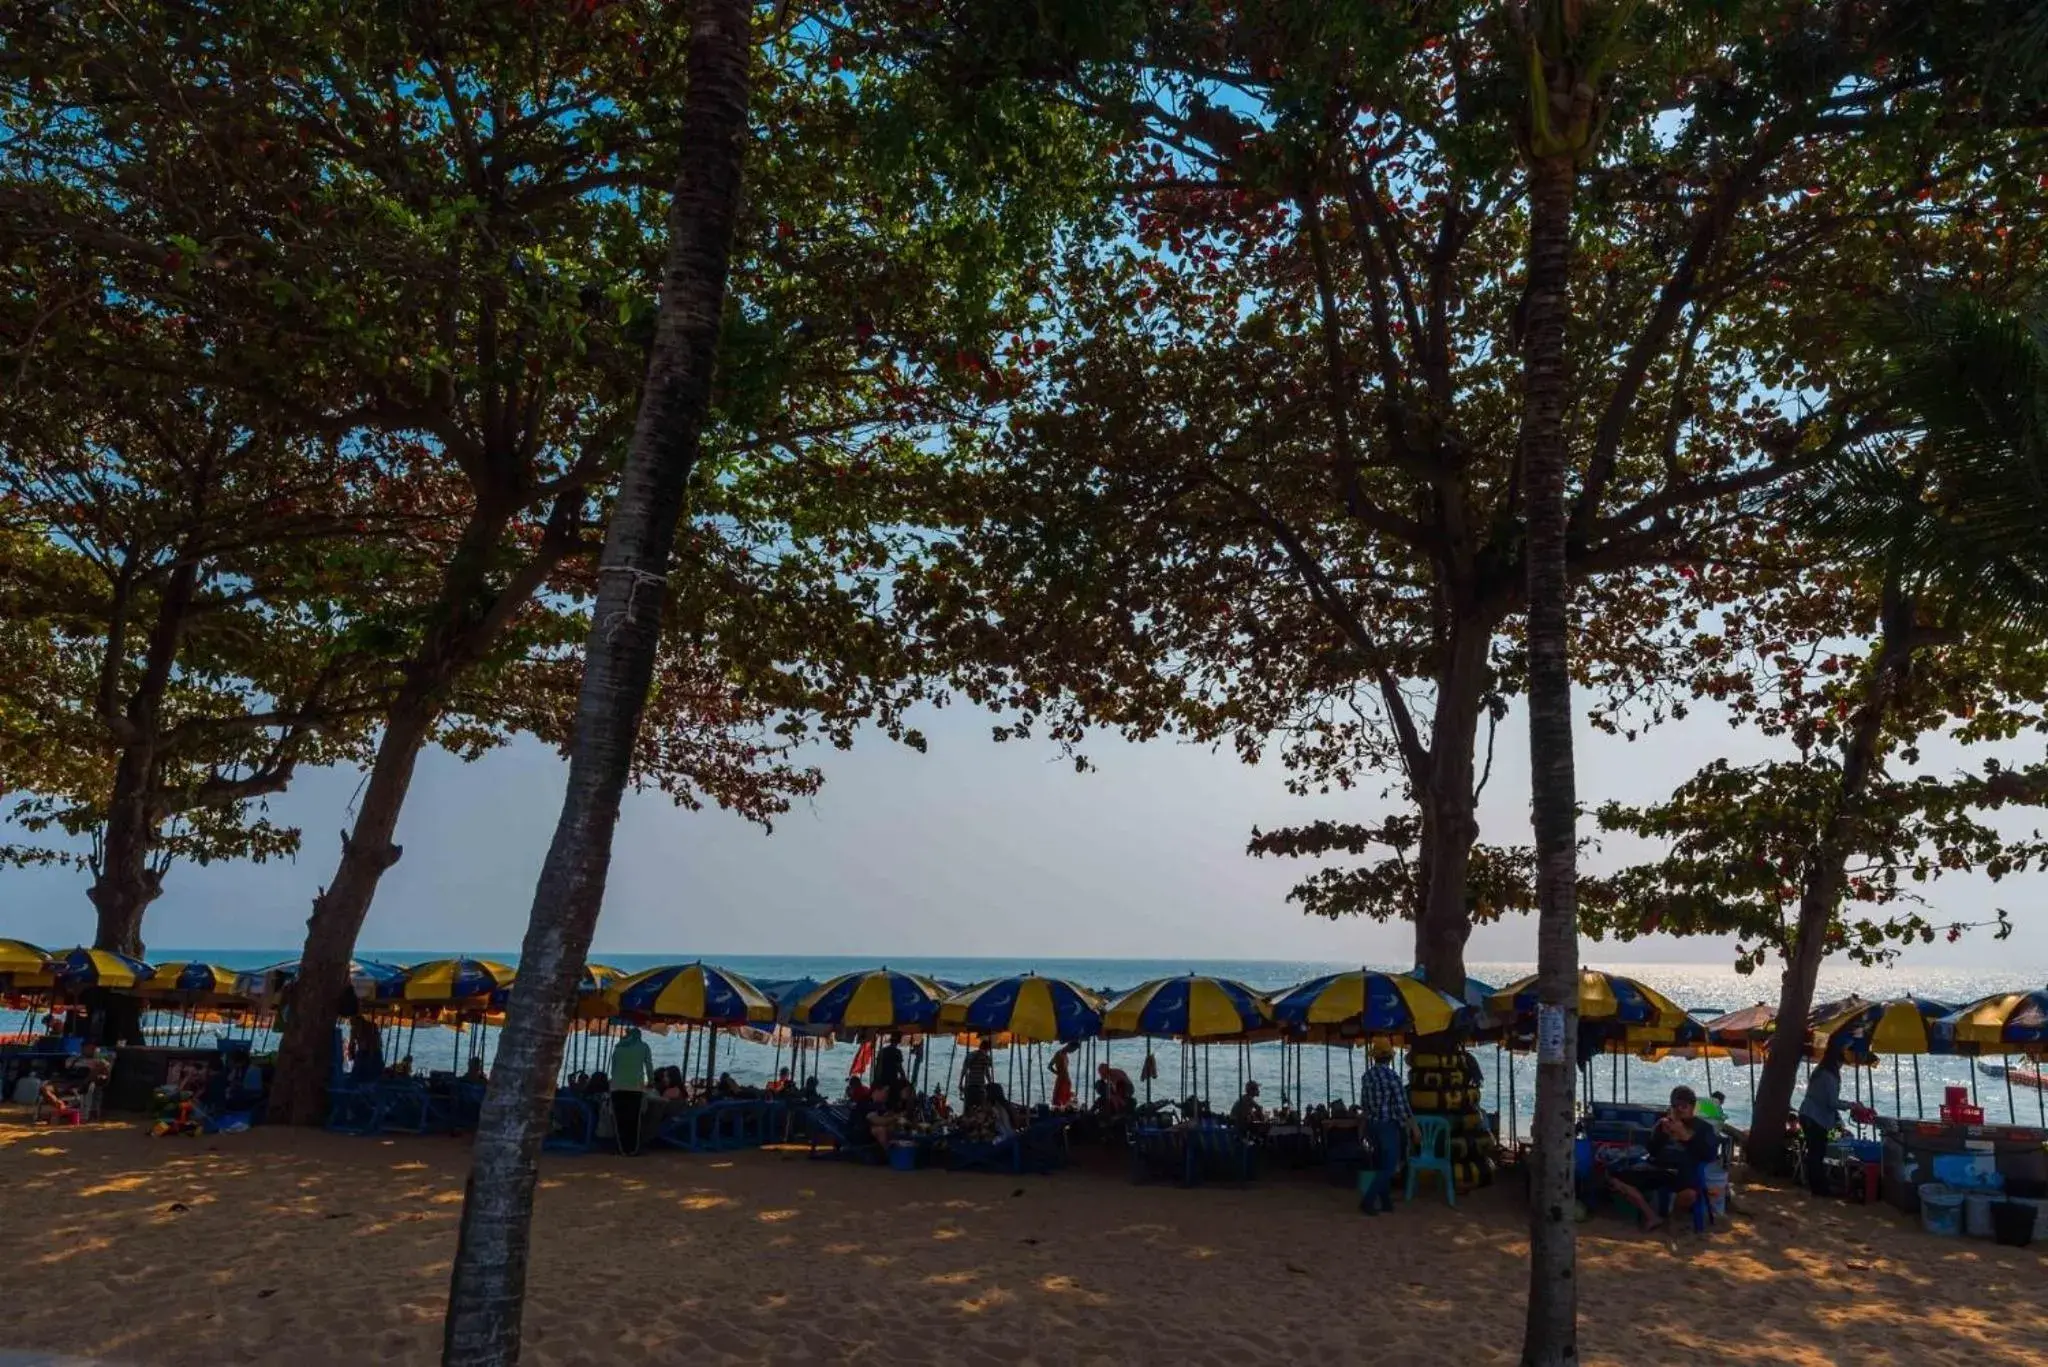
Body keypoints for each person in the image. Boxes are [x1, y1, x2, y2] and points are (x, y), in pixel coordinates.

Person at [1607, 1085, 1719, 1232]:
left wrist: (1687, 1138)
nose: (1679, 1110)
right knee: (1613, 1178)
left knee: (1690, 1194)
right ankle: (1651, 1216)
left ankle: (1674, 1218)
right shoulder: (1664, 1123)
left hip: (1682, 1170)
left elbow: (1710, 1155)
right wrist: (1661, 1135)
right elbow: (1651, 1150)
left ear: (1692, 1107)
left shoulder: (1703, 1128)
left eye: (1683, 1106)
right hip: (1656, 1167)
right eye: (1675, 1106)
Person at [1359, 1045, 1419, 1215]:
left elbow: (1365, 1105)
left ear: (1374, 1058)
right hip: (1388, 1125)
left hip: (1373, 1124)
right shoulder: (1392, 1077)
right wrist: (1413, 1127)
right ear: (1390, 1058)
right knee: (1390, 1166)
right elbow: (1403, 1106)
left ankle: (1386, 1202)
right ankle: (1368, 1200)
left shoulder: (1367, 1076)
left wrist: (1363, 1129)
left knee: (1380, 1164)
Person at [1799, 1047, 1855, 1196]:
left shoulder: (1819, 1073)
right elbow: (1832, 1102)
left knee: (1814, 1152)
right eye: (1841, 1063)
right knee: (1817, 1153)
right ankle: (1819, 1189)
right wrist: (1851, 1105)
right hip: (1815, 1117)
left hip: (1808, 1114)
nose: (1841, 1067)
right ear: (1836, 1062)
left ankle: (1816, 1186)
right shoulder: (1829, 1077)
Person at [609, 1026, 654, 1156]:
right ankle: (632, 1149)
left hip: (617, 1088)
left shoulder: (618, 1048)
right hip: (635, 1088)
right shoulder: (644, 1047)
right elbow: (649, 1067)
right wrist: (651, 1081)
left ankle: (621, 1148)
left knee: (620, 1120)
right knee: (634, 1120)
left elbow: (613, 1069)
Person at [345, 1012, 383, 1085]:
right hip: (363, 1052)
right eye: (352, 1024)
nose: (352, 1025)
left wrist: (370, 1056)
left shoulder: (370, 1027)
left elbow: (373, 1042)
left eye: (353, 1023)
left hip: (374, 1052)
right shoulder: (355, 1029)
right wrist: (351, 1052)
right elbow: (352, 1042)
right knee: (358, 1074)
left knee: (371, 1075)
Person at [961, 1043, 994, 1109]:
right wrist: (991, 1084)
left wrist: (960, 1083)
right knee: (982, 1108)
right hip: (980, 1087)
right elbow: (987, 1072)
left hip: (970, 1085)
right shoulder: (986, 1057)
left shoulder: (970, 1055)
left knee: (968, 1109)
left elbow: (964, 1070)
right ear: (987, 1049)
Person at [1049, 1041, 1079, 1110]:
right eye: (1073, 1050)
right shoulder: (1059, 1054)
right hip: (1062, 1080)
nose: (1072, 1052)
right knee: (1059, 1100)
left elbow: (1050, 1067)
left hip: (1065, 1080)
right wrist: (1058, 1073)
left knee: (1063, 1101)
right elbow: (1049, 1066)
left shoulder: (1063, 1054)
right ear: (1069, 1046)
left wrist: (1058, 1073)